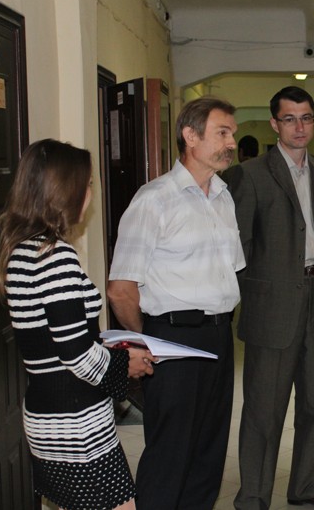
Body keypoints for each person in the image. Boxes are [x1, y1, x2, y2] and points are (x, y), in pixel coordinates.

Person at [0, 139, 154, 510]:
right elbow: (76, 355)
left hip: (48, 417)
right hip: (76, 423)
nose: (91, 192)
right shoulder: (55, 257)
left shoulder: (22, 250)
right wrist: (125, 364)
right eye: (88, 183)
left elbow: (55, 340)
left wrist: (109, 347)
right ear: (65, 190)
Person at [107, 96, 245, 509]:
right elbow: (120, 289)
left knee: (209, 451)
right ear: (190, 136)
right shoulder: (154, 199)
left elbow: (231, 270)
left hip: (218, 335)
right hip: (172, 340)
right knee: (171, 453)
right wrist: (147, 341)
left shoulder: (223, 196)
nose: (232, 143)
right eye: (223, 133)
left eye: (232, 134)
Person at [226, 86, 314, 510]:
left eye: (307, 118)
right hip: (272, 305)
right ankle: (253, 496)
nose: (300, 127)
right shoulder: (249, 175)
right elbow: (239, 247)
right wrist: (246, 300)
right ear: (275, 124)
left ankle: (306, 487)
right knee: (265, 408)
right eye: (290, 119)